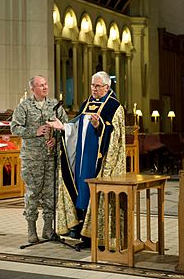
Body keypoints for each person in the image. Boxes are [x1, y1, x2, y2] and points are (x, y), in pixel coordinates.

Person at [47, 71, 126, 248]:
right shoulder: (86, 103)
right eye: (92, 85)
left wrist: (100, 127)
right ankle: (83, 231)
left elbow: (116, 136)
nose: (94, 89)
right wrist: (64, 127)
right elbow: (76, 127)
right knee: (81, 188)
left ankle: (99, 235)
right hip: (83, 157)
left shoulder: (114, 107)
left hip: (100, 160)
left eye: (97, 86)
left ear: (107, 87)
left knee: (94, 191)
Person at [11, 75, 68, 244]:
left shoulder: (55, 106)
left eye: (45, 84)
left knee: (51, 194)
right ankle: (31, 230)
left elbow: (65, 125)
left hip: (51, 158)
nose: (45, 87)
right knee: (33, 193)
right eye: (40, 85)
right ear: (32, 89)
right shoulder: (25, 107)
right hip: (32, 159)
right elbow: (14, 128)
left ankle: (48, 229)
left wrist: (56, 139)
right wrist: (34, 131)